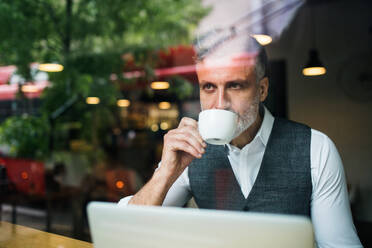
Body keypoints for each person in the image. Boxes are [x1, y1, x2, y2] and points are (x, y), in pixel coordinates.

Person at [118, 34, 362, 247]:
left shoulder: (316, 149)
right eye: (209, 87)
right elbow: (126, 233)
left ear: (262, 89)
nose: (220, 103)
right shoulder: (189, 151)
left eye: (235, 86)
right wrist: (166, 173)